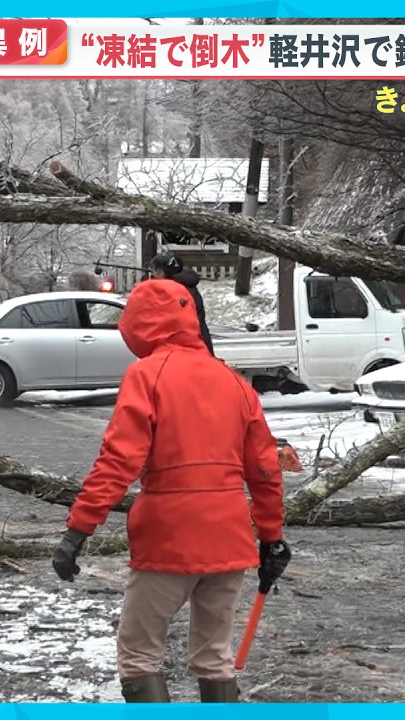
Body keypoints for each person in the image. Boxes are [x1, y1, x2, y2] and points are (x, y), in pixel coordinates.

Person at [51, 278, 289, 704]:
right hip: (229, 540)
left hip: (168, 539)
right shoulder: (233, 381)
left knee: (140, 655)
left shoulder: (146, 374)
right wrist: (272, 539)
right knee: (215, 656)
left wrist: (78, 530)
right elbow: (265, 469)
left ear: (139, 324)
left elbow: (118, 461)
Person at [148, 252, 214, 354]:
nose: (152, 275)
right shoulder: (188, 286)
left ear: (161, 272)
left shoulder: (171, 292)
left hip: (185, 350)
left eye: (154, 271)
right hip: (200, 344)